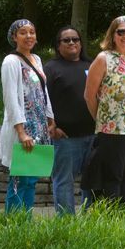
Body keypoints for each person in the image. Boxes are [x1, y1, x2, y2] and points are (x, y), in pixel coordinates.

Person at [83, 16, 125, 206]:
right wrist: (101, 120)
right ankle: (113, 220)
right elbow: (89, 95)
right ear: (113, 35)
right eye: (121, 32)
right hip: (112, 129)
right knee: (113, 176)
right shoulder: (104, 59)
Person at [0, 19, 53, 213]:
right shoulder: (11, 62)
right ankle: (14, 222)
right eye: (23, 32)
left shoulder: (37, 59)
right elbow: (11, 98)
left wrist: (50, 119)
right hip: (23, 128)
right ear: (14, 37)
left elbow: (43, 92)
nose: (29, 36)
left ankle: (26, 220)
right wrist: (21, 132)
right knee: (19, 178)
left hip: (39, 127)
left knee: (31, 178)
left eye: (32, 31)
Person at [45, 26, 95, 215]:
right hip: (65, 138)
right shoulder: (51, 69)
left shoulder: (91, 65)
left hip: (92, 135)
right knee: (64, 181)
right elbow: (43, 100)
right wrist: (52, 126)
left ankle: (91, 217)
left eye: (75, 39)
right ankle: (66, 222)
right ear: (58, 46)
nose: (72, 42)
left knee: (92, 180)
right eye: (66, 40)